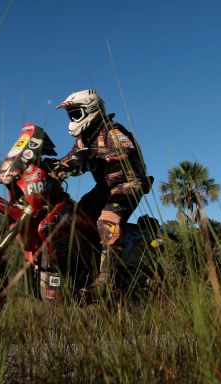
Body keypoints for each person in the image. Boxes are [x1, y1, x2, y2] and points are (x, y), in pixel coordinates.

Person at [54, 89, 151, 297]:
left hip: (128, 184)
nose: (72, 119)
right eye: (71, 115)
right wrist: (56, 168)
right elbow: (71, 159)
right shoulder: (83, 139)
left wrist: (92, 154)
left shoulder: (112, 130)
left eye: (76, 114)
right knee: (74, 217)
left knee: (106, 220)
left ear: (92, 110)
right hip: (104, 188)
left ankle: (106, 279)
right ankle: (84, 269)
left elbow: (126, 150)